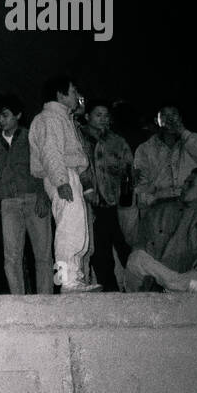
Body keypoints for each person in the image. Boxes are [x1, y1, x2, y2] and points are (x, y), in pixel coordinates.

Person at [29, 75, 102, 293]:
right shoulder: (50, 118)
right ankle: (67, 281)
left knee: (77, 229)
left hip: (70, 176)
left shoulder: (62, 118)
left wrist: (84, 185)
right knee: (69, 227)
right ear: (60, 95)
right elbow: (51, 152)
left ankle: (74, 278)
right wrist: (61, 181)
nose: (77, 96)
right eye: (73, 92)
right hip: (63, 176)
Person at [0, 94, 53, 295]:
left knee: (43, 255)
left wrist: (43, 196)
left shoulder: (32, 137)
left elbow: (44, 168)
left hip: (33, 198)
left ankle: (46, 302)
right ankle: (18, 301)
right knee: (11, 257)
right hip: (9, 202)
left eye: (5, 115)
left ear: (18, 115)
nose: (0, 119)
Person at [125, 169, 197, 292]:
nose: (184, 186)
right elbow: (138, 240)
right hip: (155, 281)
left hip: (190, 279)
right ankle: (177, 284)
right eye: (185, 182)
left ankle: (177, 286)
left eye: (190, 184)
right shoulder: (160, 210)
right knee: (136, 258)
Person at [80, 98, 134, 291]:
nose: (103, 119)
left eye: (106, 115)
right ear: (87, 116)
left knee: (126, 248)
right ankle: (111, 294)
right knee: (100, 255)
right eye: (98, 115)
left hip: (114, 203)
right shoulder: (78, 138)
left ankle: (138, 290)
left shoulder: (117, 141)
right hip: (89, 204)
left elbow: (128, 169)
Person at [132, 103, 197, 212]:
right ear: (156, 120)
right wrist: (154, 202)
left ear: (180, 118)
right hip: (159, 206)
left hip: (191, 205)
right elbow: (141, 187)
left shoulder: (193, 140)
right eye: (164, 115)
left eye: (174, 114)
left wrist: (183, 132)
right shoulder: (144, 149)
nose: (170, 119)